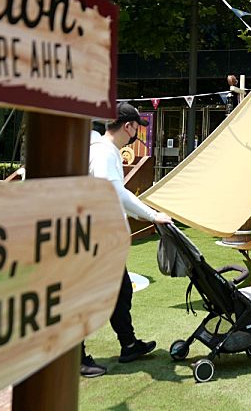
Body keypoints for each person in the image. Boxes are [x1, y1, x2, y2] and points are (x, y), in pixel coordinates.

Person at [81, 102, 173, 378]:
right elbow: (115, 193)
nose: (137, 133)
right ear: (128, 126)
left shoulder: (103, 150)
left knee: (121, 292)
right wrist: (152, 215)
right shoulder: (104, 153)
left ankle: (129, 344)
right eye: (137, 128)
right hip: (94, 239)